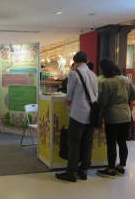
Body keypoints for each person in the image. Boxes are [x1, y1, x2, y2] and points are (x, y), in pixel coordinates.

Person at [55, 51, 98, 182]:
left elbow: (68, 98)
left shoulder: (74, 74)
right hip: (92, 113)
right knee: (88, 143)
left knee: (74, 143)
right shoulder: (93, 74)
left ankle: (71, 172)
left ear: (75, 61)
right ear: (87, 60)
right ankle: (84, 170)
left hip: (78, 113)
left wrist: (67, 103)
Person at [96, 58, 135, 178]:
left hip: (112, 116)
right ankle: (121, 167)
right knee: (122, 142)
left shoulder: (106, 83)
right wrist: (124, 100)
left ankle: (110, 169)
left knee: (111, 143)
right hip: (125, 115)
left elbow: (103, 102)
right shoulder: (126, 80)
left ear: (104, 69)